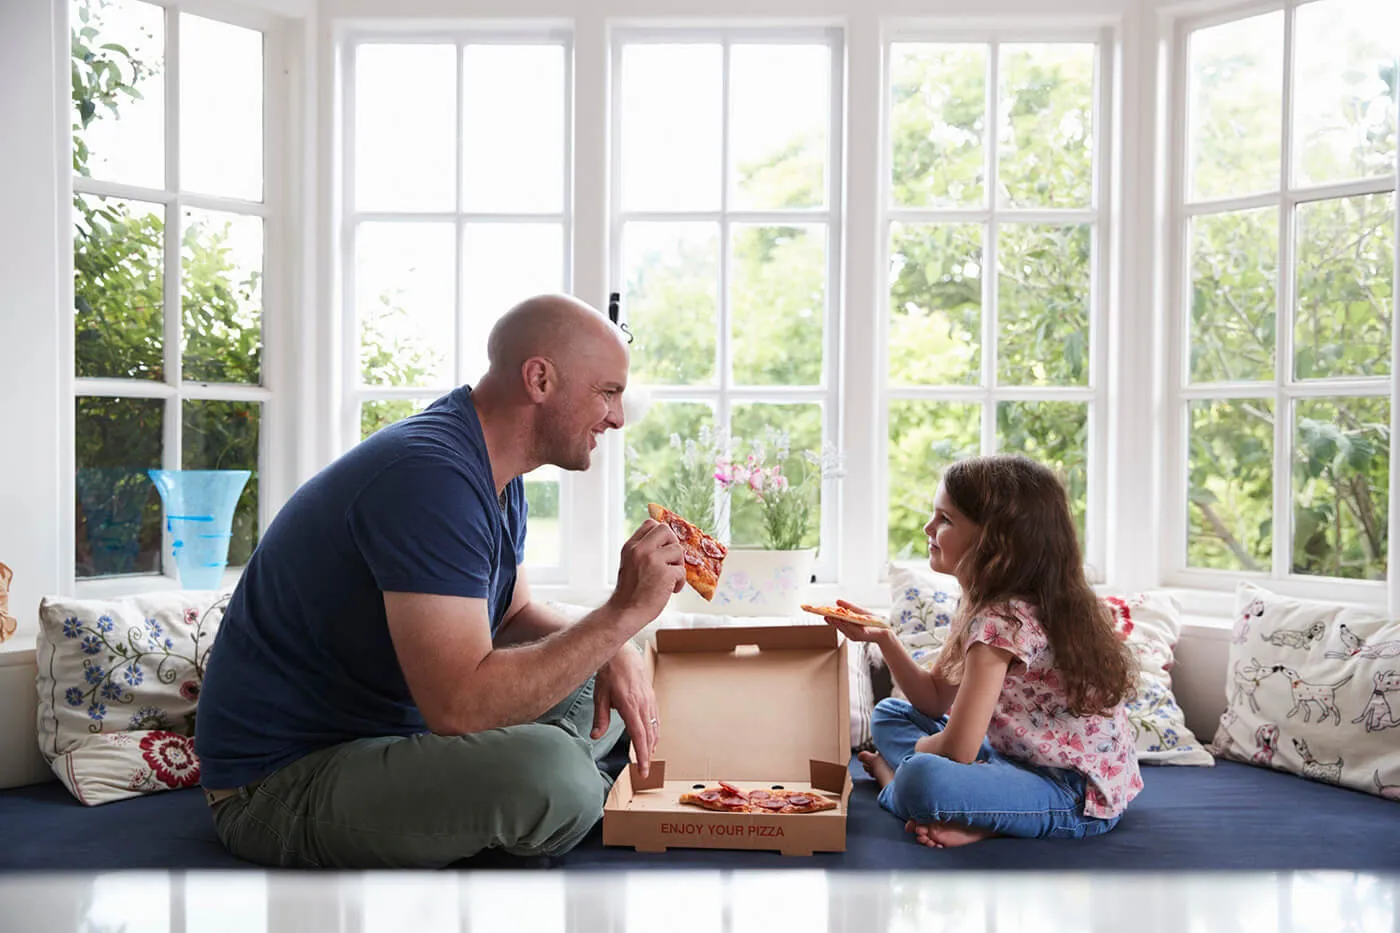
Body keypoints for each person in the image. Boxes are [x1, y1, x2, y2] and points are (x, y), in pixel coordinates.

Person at [194, 294, 686, 869]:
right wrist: (618, 615)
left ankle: (526, 797)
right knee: (555, 774)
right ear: (540, 379)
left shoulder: (495, 471)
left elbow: (510, 618)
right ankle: (559, 791)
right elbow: (460, 709)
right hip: (280, 783)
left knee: (615, 670)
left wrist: (617, 643)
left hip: (395, 737)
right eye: (607, 392)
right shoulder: (429, 478)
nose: (618, 417)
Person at [822, 454, 1140, 848]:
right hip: (1011, 758)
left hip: (1072, 793)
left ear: (995, 543)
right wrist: (883, 637)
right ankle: (967, 805)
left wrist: (917, 757)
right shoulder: (986, 603)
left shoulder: (1001, 623)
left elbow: (957, 751)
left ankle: (897, 783)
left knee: (923, 776)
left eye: (945, 520)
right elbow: (935, 699)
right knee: (890, 714)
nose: (928, 527)